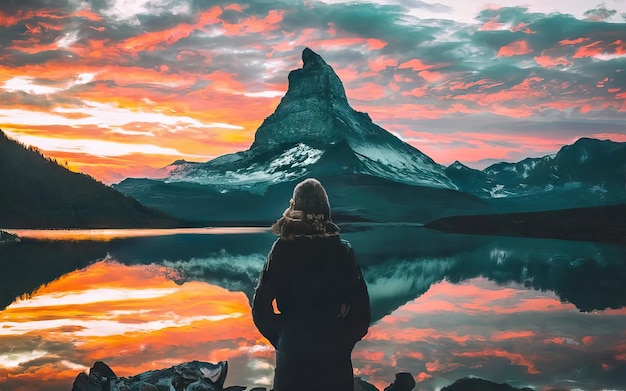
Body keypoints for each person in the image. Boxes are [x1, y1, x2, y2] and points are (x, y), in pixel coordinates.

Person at [252, 178, 371, 391]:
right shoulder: (342, 251)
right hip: (334, 354)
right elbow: (361, 312)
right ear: (325, 209)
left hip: (292, 355)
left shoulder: (282, 249)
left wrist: (282, 337)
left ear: (295, 207)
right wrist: (343, 340)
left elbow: (261, 308)